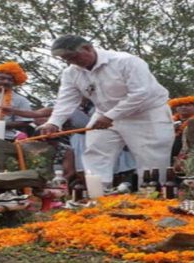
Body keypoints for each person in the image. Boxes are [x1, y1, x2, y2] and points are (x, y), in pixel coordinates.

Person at [39, 34, 173, 188]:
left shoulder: (126, 61)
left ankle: (154, 198)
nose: (71, 62)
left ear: (88, 48)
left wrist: (110, 116)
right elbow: (66, 100)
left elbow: (141, 93)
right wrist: (53, 123)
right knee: (96, 151)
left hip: (146, 113)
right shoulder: (71, 72)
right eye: (66, 59)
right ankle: (99, 196)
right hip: (104, 115)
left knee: (152, 159)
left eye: (73, 57)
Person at [0, 61, 33, 140]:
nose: (6, 82)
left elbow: (25, 122)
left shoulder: (21, 100)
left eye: (10, 80)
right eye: (2, 78)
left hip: (6, 138)